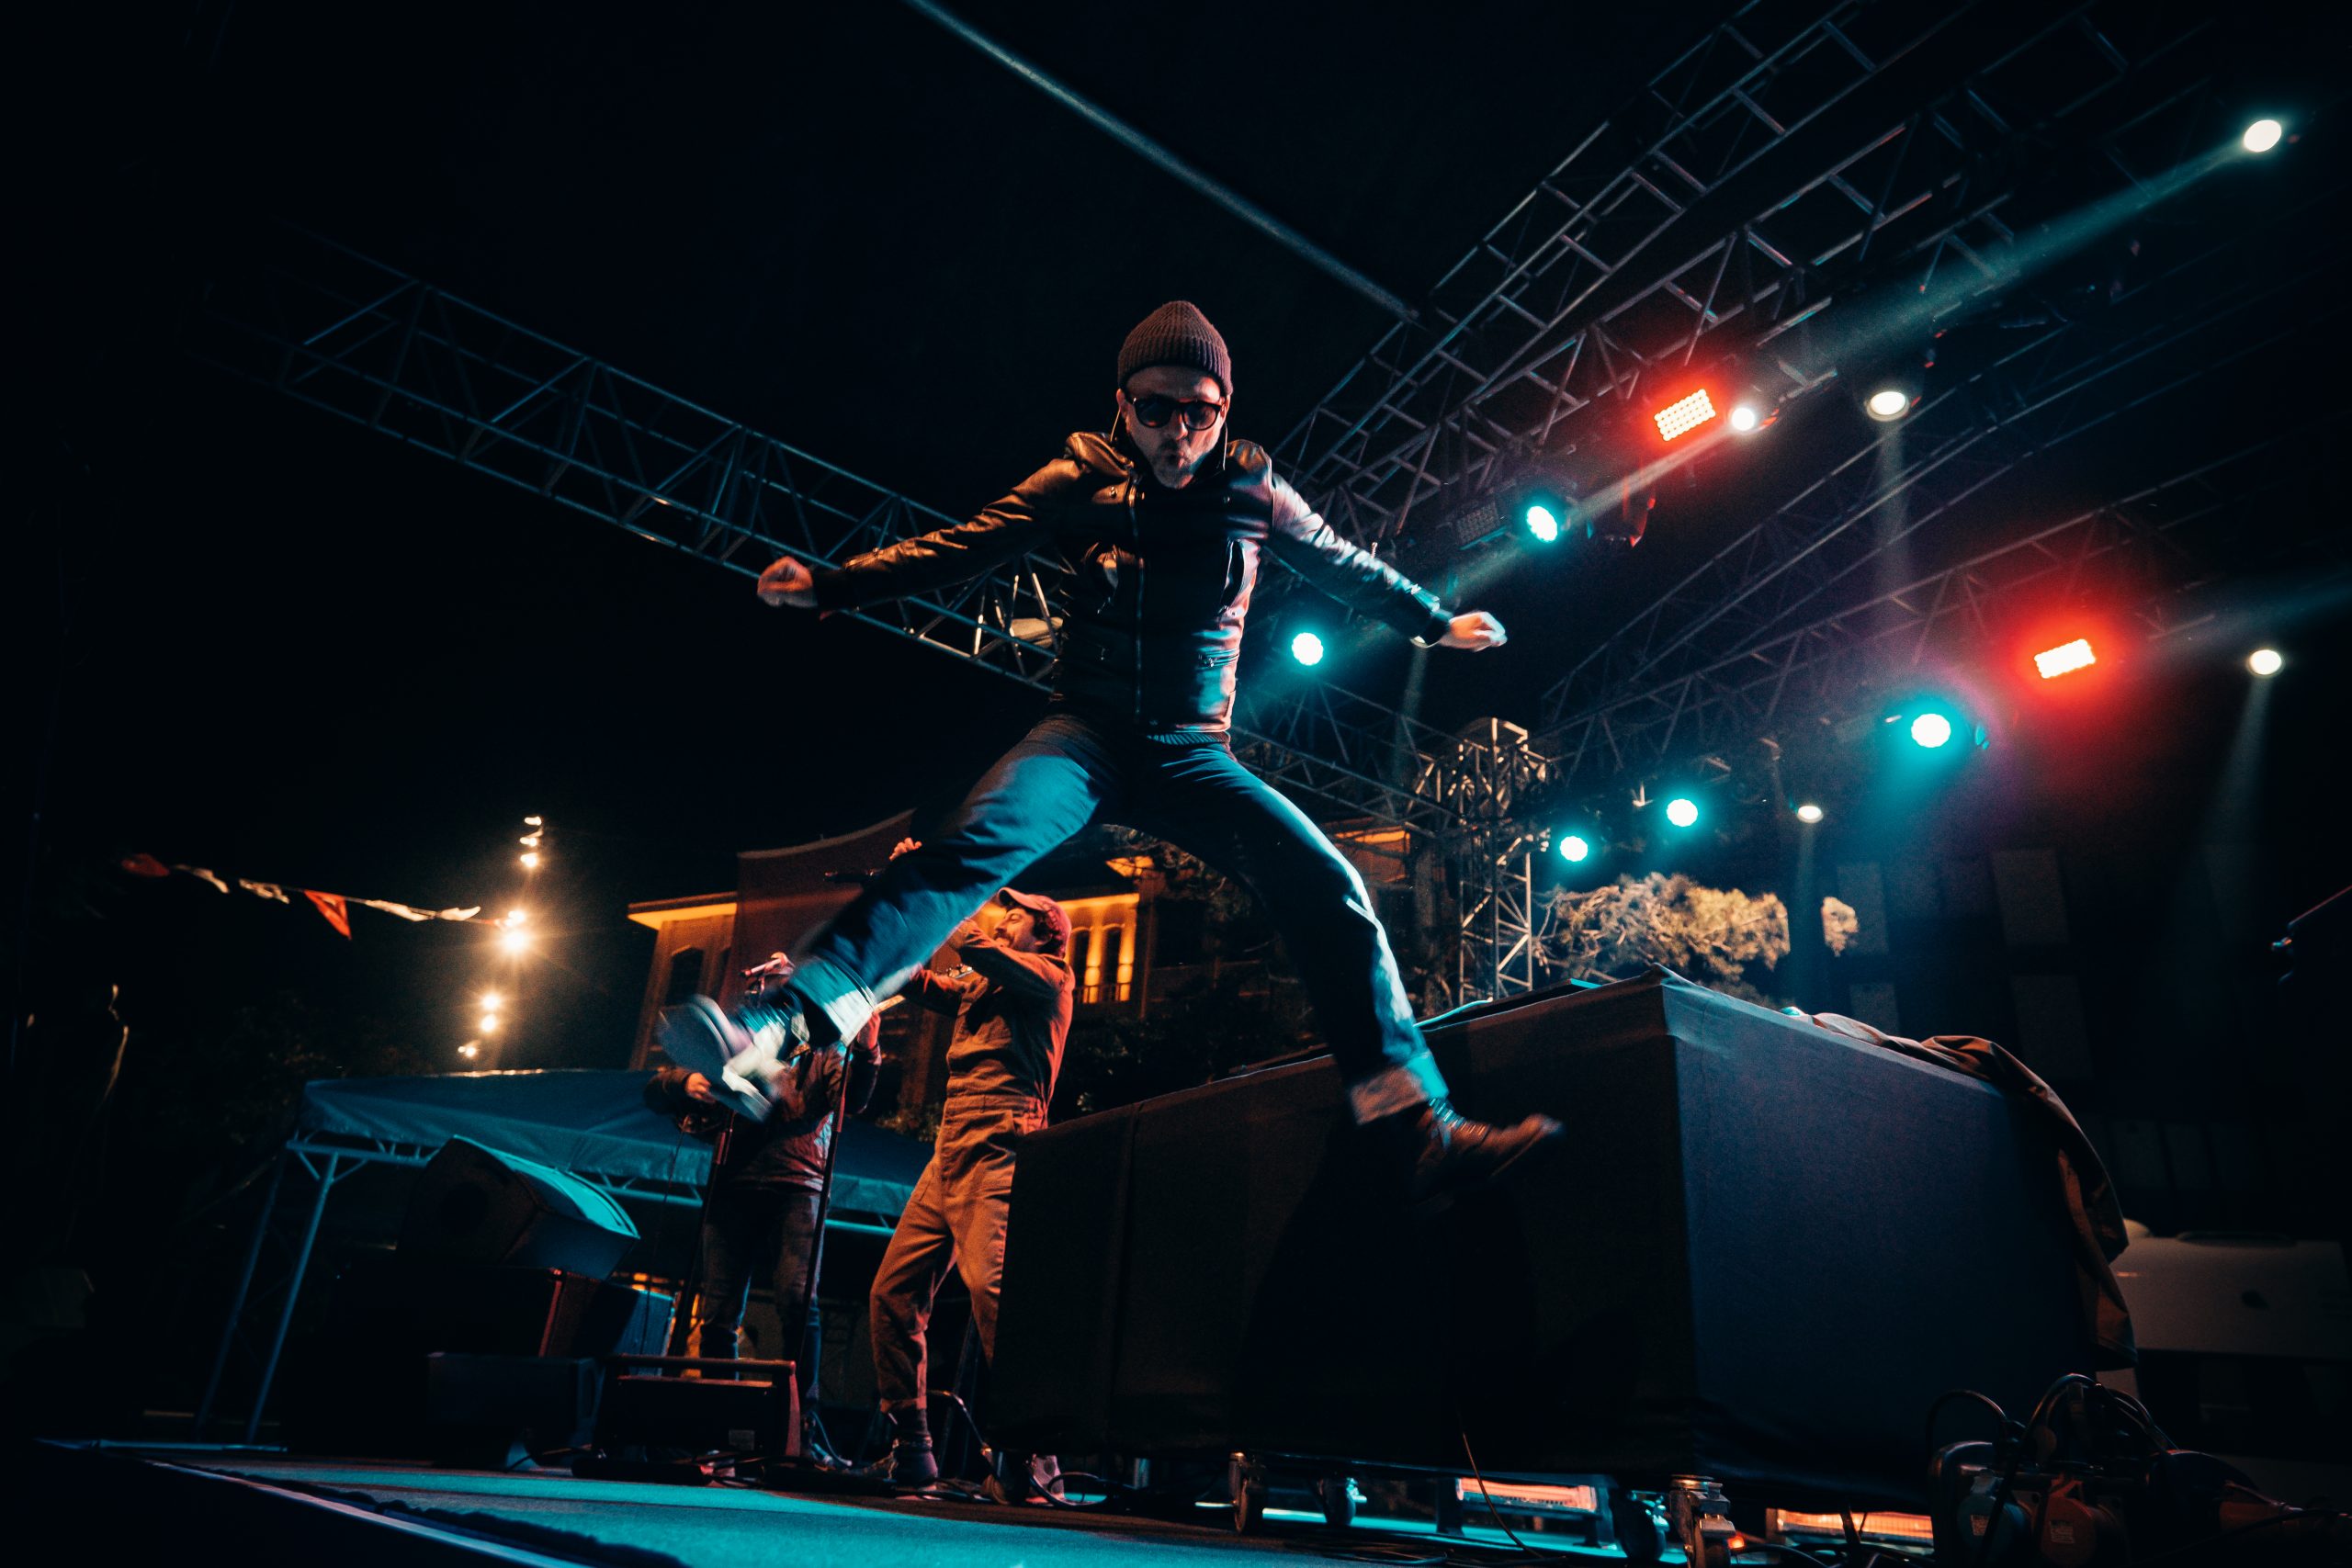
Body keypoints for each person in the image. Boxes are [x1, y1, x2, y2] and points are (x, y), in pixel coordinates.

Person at [657, 300, 1558, 1221]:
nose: (1179, 433)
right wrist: (835, 584)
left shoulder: (1254, 487)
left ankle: (1418, 1130)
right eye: (1157, 410)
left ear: (1225, 411)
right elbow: (964, 545)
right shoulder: (1078, 476)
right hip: (1084, 736)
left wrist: (1431, 621)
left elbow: (1342, 562)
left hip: (1191, 751)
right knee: (969, 848)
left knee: (1328, 886)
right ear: (1123, 406)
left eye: (1200, 413)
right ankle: (779, 1026)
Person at [855, 862, 1075, 1495]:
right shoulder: (983, 981)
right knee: (893, 1293)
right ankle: (912, 1448)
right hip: (950, 1144)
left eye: (1016, 915)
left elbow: (973, 943)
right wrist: (897, 898)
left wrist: (935, 887)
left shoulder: (1050, 977)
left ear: (1046, 932)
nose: (1002, 920)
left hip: (999, 1141)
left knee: (995, 1292)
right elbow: (919, 979)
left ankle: (1038, 1458)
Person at [648, 954, 879, 1464]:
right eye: (766, 987)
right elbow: (657, 1088)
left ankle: (800, 1427)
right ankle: (718, 1426)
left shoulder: (825, 1044)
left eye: (780, 986)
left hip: (798, 1183)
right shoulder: (737, 1039)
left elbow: (853, 1100)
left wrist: (868, 1050)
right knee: (717, 1312)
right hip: (733, 1182)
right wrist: (684, 1084)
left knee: (798, 1304)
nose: (769, 996)